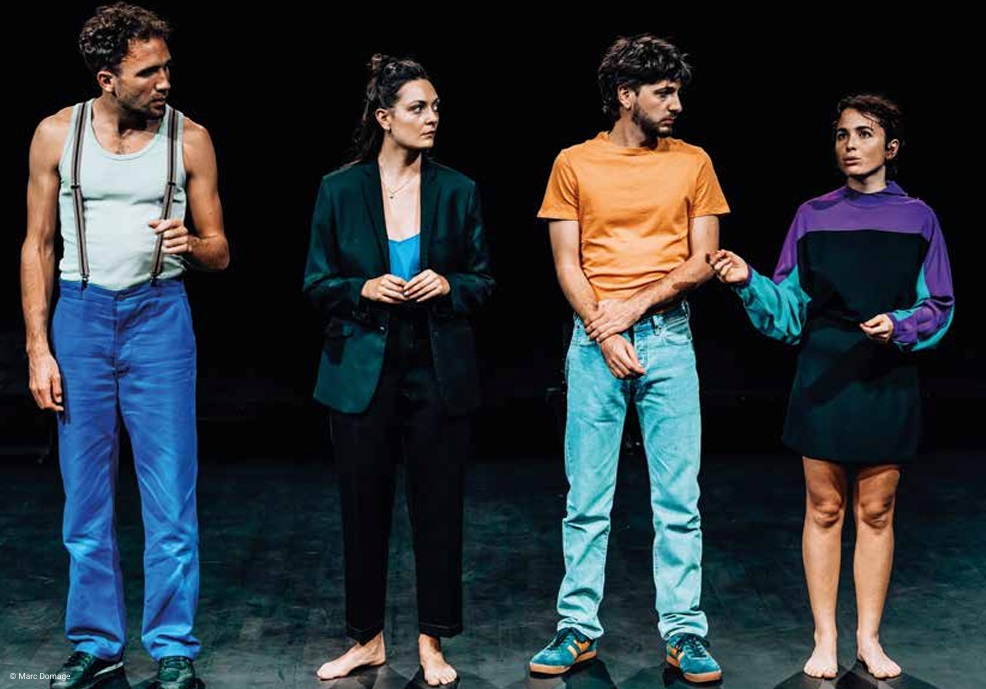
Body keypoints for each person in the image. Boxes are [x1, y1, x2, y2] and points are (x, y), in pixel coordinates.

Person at [709, 94, 954, 680]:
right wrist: (748, 281)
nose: (850, 145)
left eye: (864, 134)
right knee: (823, 508)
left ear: (891, 147)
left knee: (876, 509)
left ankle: (869, 638)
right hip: (824, 372)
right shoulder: (812, 214)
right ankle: (825, 637)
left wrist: (900, 325)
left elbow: (939, 304)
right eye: (842, 134)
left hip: (885, 372)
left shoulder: (919, 217)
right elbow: (789, 308)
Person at [21, 4, 229, 688]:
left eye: (167, 67)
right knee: (85, 500)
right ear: (107, 78)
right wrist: (38, 349)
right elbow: (37, 245)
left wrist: (191, 244)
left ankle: (173, 646)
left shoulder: (189, 139)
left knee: (169, 495)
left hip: (158, 317)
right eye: (148, 72)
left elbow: (220, 250)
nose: (164, 81)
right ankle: (97, 642)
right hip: (80, 318)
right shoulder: (58, 134)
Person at [529, 34, 728, 684]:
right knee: (587, 497)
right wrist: (603, 328)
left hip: (668, 338)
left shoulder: (693, 161)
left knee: (679, 500)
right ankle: (577, 628)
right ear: (625, 95)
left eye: (677, 92)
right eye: (663, 93)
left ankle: (685, 632)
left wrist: (631, 310)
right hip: (595, 344)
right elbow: (567, 262)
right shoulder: (573, 162)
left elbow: (703, 260)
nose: (676, 104)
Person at [303, 54, 494, 686]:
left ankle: (432, 642)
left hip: (436, 365)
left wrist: (450, 284)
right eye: (418, 108)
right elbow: (316, 282)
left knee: (438, 507)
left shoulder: (458, 189)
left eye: (436, 107)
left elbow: (483, 279)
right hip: (363, 366)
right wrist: (362, 288)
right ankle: (367, 640)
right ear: (385, 117)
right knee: (363, 509)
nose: (432, 117)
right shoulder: (339, 189)